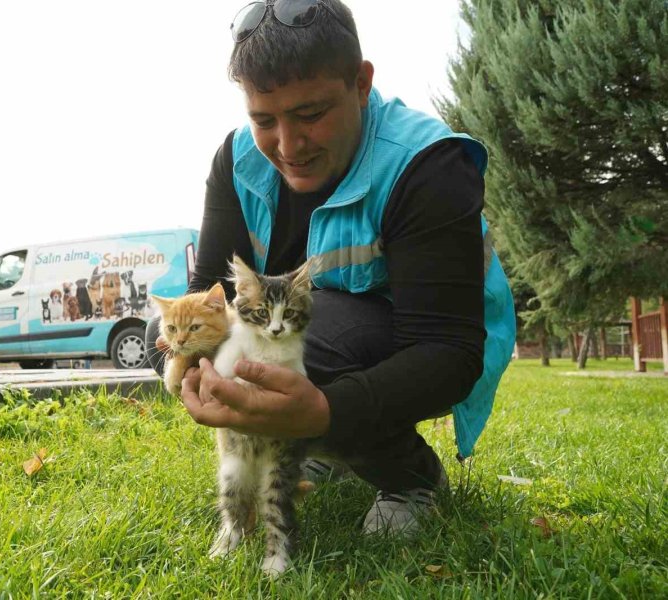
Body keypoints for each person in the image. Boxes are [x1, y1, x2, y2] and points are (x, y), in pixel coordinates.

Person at [145, 0, 515, 536]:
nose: (288, 147)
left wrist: (323, 411)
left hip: (428, 339)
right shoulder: (236, 158)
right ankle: (320, 443)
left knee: (294, 351)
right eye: (263, 120)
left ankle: (410, 475)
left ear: (361, 84)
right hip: (325, 331)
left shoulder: (428, 163)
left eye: (312, 114)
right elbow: (207, 294)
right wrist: (188, 373)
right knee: (203, 342)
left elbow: (448, 352)